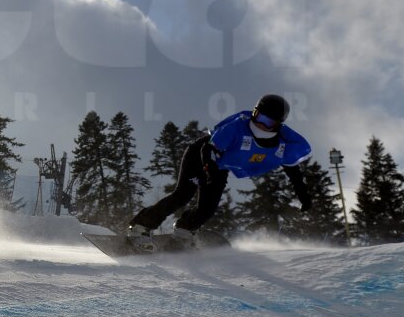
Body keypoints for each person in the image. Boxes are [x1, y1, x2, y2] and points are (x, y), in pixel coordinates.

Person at [126, 94, 312, 248]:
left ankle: (184, 230)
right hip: (200, 156)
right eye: (258, 116)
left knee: (208, 208)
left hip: (219, 167)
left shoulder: (282, 145)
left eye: (268, 122)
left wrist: (303, 195)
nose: (261, 124)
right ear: (254, 113)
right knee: (183, 195)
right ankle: (141, 227)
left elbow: (292, 169)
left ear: (278, 125)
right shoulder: (237, 127)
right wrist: (209, 167)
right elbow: (209, 149)